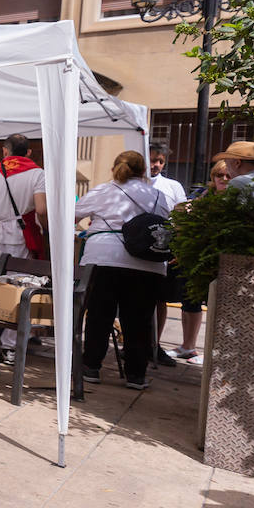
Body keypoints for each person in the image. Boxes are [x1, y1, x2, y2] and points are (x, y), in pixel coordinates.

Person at [76, 150, 173, 390]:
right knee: (138, 321)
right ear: (143, 171)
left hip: (104, 256)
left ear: (114, 168)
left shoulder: (103, 190)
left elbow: (72, 214)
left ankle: (91, 367)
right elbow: (165, 222)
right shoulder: (158, 195)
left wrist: (91, 228)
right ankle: (135, 375)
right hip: (146, 262)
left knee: (100, 314)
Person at [0, 134, 48, 365]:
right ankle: (9, 347)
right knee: (17, 291)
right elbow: (41, 209)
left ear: (5, 151)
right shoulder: (37, 173)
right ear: (28, 152)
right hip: (16, 235)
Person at [170, 160, 234, 366]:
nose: (223, 179)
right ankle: (187, 346)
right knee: (189, 302)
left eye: (228, 176)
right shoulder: (202, 196)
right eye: (219, 175)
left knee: (218, 307)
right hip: (196, 259)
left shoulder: (237, 200)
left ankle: (213, 352)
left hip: (220, 260)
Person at [148, 143, 189, 367]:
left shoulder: (173, 186)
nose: (155, 165)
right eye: (152, 159)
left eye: (160, 161)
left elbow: (182, 217)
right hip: (134, 248)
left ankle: (154, 344)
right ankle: (133, 343)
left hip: (163, 249)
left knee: (160, 299)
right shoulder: (132, 183)